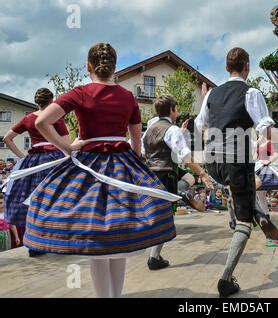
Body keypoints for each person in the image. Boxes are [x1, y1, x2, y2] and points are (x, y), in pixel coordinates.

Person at [23, 43, 178, 298]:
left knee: (96, 239)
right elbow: (136, 142)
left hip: (87, 167)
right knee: (118, 239)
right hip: (122, 165)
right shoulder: (128, 97)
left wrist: (67, 146)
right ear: (114, 67)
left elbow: (41, 121)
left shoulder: (81, 92)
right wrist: (136, 168)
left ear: (89, 66)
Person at [195, 47, 278, 298]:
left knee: (233, 188)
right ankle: (226, 279)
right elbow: (266, 130)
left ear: (227, 67)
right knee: (243, 220)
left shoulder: (213, 94)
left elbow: (200, 125)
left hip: (212, 162)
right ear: (247, 66)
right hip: (237, 161)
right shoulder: (251, 93)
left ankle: (253, 210)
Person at [143, 94, 213, 271]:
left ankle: (154, 257)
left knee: (158, 215)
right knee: (165, 217)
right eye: (176, 109)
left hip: (149, 175)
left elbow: (142, 152)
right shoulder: (171, 129)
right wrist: (202, 173)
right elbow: (185, 155)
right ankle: (180, 193)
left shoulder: (149, 129)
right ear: (172, 110)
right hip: (166, 175)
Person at [2, 88, 70, 257]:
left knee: (30, 200)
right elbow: (66, 143)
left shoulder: (27, 118)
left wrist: (22, 158)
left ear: (36, 101)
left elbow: (7, 138)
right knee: (57, 199)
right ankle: (57, 240)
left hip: (32, 162)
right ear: (52, 101)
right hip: (54, 160)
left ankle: (34, 244)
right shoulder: (56, 118)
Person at [142, 114, 206, 212]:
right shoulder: (151, 134)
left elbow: (170, 138)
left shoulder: (156, 132)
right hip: (160, 167)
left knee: (190, 178)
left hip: (165, 166)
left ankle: (177, 192)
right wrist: (201, 172)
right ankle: (178, 193)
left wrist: (182, 129)